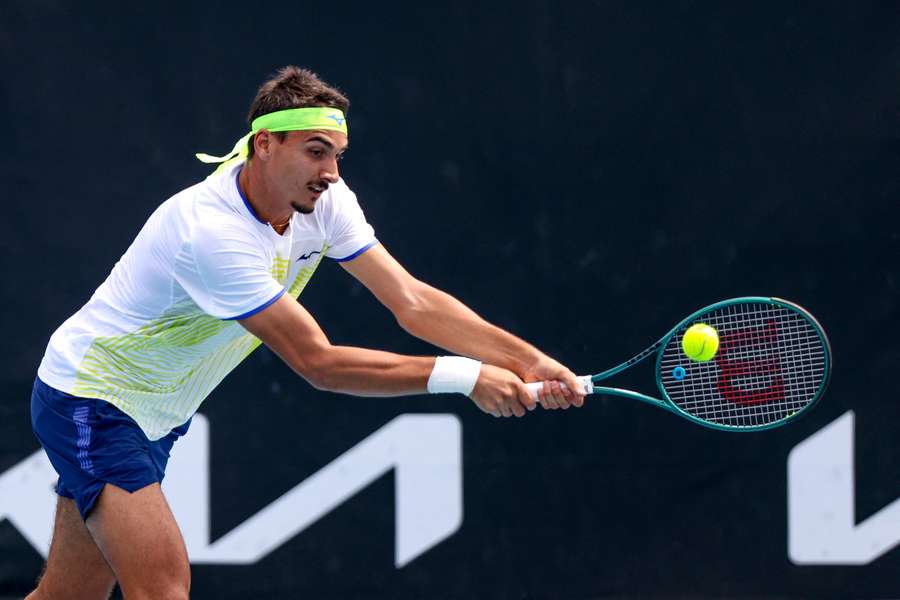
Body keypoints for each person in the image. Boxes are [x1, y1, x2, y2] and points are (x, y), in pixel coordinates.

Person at [26, 66, 586, 599]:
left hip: (156, 414)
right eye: (316, 152)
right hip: (92, 400)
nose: (332, 172)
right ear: (263, 145)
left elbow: (413, 302)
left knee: (70, 595)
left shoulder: (325, 202)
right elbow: (319, 363)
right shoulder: (212, 234)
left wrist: (529, 361)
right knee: (165, 588)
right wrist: (466, 376)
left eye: (337, 155)